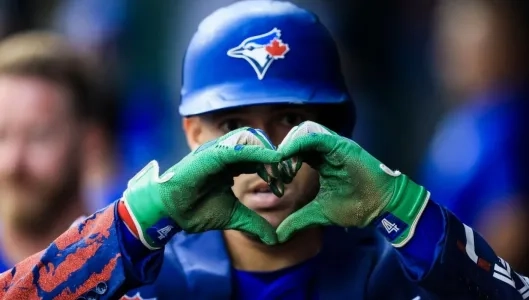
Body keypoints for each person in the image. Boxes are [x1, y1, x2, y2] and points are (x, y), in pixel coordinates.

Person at [1, 2, 528, 299]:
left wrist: (409, 215)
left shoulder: (395, 279)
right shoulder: (156, 285)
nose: (263, 154)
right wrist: (134, 226)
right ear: (194, 137)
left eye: (291, 120)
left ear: (337, 129)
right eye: (232, 124)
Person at [421, 0, 529, 270]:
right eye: (447, 29)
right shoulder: (463, 119)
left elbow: (510, 227)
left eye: (467, 30)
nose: (451, 45)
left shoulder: (509, 124)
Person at [0, 31, 113, 270]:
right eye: (1, 136)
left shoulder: (139, 254)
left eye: (39, 136)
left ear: (91, 144)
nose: (12, 163)